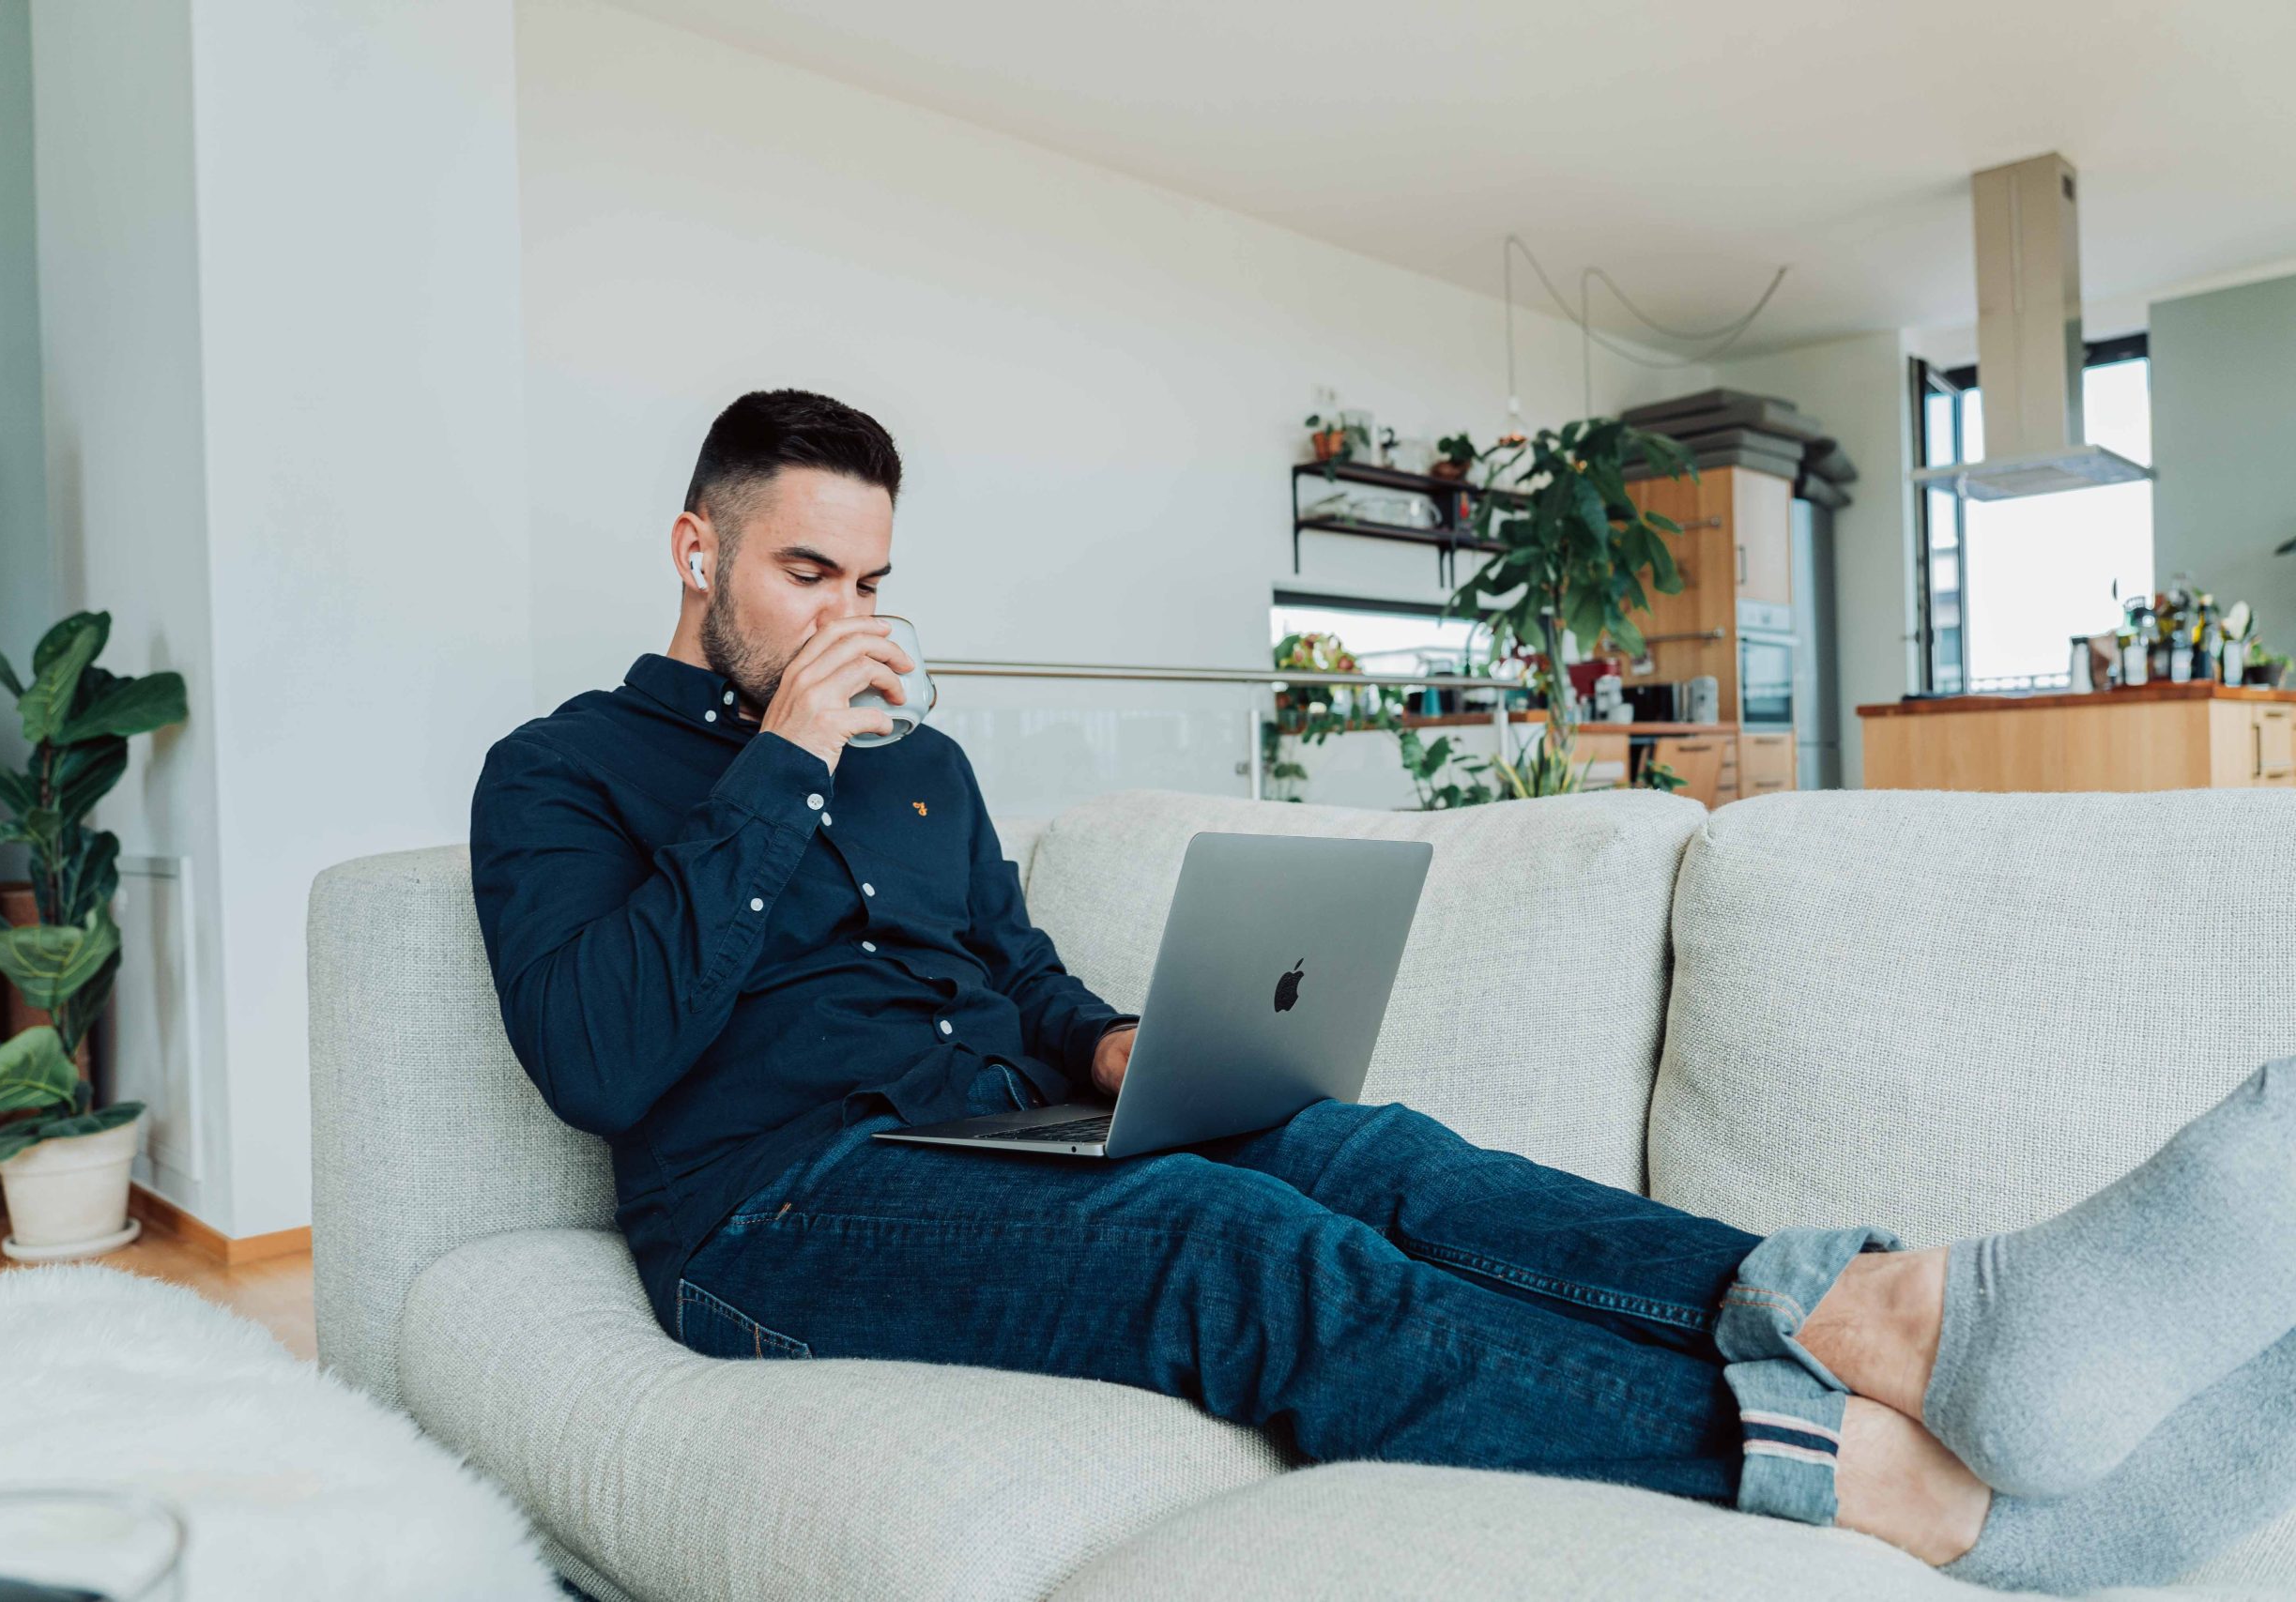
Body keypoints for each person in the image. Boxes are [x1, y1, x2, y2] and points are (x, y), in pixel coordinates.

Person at [470, 389, 2296, 1592]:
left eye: (871, 576)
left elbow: (1015, 979)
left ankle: (1883, 1316)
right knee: (1228, 1237)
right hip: (771, 1207)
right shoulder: (559, 775)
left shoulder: (924, 769)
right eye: (807, 572)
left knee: (1361, 1145)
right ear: (698, 551)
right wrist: (782, 758)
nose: (851, 617)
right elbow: (597, 1055)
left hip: (999, 1133)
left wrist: (1119, 1041)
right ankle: (1905, 1491)